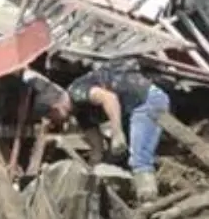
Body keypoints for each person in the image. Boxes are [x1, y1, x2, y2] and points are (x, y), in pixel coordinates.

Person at [31, 65, 170, 202]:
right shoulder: (81, 115)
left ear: (55, 109)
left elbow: (109, 98)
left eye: (51, 118)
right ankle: (133, 194)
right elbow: (97, 149)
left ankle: (149, 202)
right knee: (118, 157)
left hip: (146, 101)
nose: (54, 123)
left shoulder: (77, 92)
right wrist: (93, 169)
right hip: (131, 112)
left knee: (139, 158)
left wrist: (117, 133)